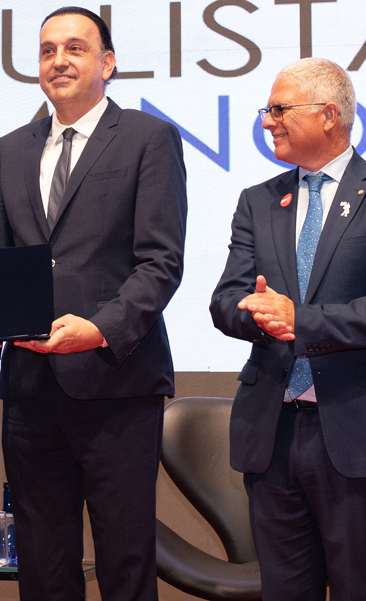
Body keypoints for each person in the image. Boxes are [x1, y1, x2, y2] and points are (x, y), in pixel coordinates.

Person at [0, 6, 187, 600]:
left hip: (117, 383)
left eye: (75, 48)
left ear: (107, 63)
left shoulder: (148, 138)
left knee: (124, 560)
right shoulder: (11, 149)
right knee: (42, 565)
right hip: (30, 387)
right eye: (47, 51)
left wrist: (98, 328)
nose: (58, 61)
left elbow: (161, 261)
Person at [211, 57, 366, 600]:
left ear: (329, 114)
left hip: (353, 433)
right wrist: (258, 315)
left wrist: (300, 320)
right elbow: (226, 300)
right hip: (272, 436)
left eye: (279, 109)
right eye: (267, 110)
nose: (267, 121)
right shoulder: (258, 200)